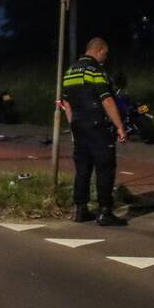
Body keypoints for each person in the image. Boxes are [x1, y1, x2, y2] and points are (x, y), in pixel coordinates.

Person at [60, 37, 128, 227]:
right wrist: (120, 126)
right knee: (105, 168)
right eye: (104, 54)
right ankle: (105, 211)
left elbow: (66, 102)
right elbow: (107, 100)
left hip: (79, 126)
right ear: (98, 51)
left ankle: (80, 209)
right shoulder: (96, 71)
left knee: (82, 168)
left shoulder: (70, 71)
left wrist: (73, 124)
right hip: (98, 127)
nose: (105, 58)